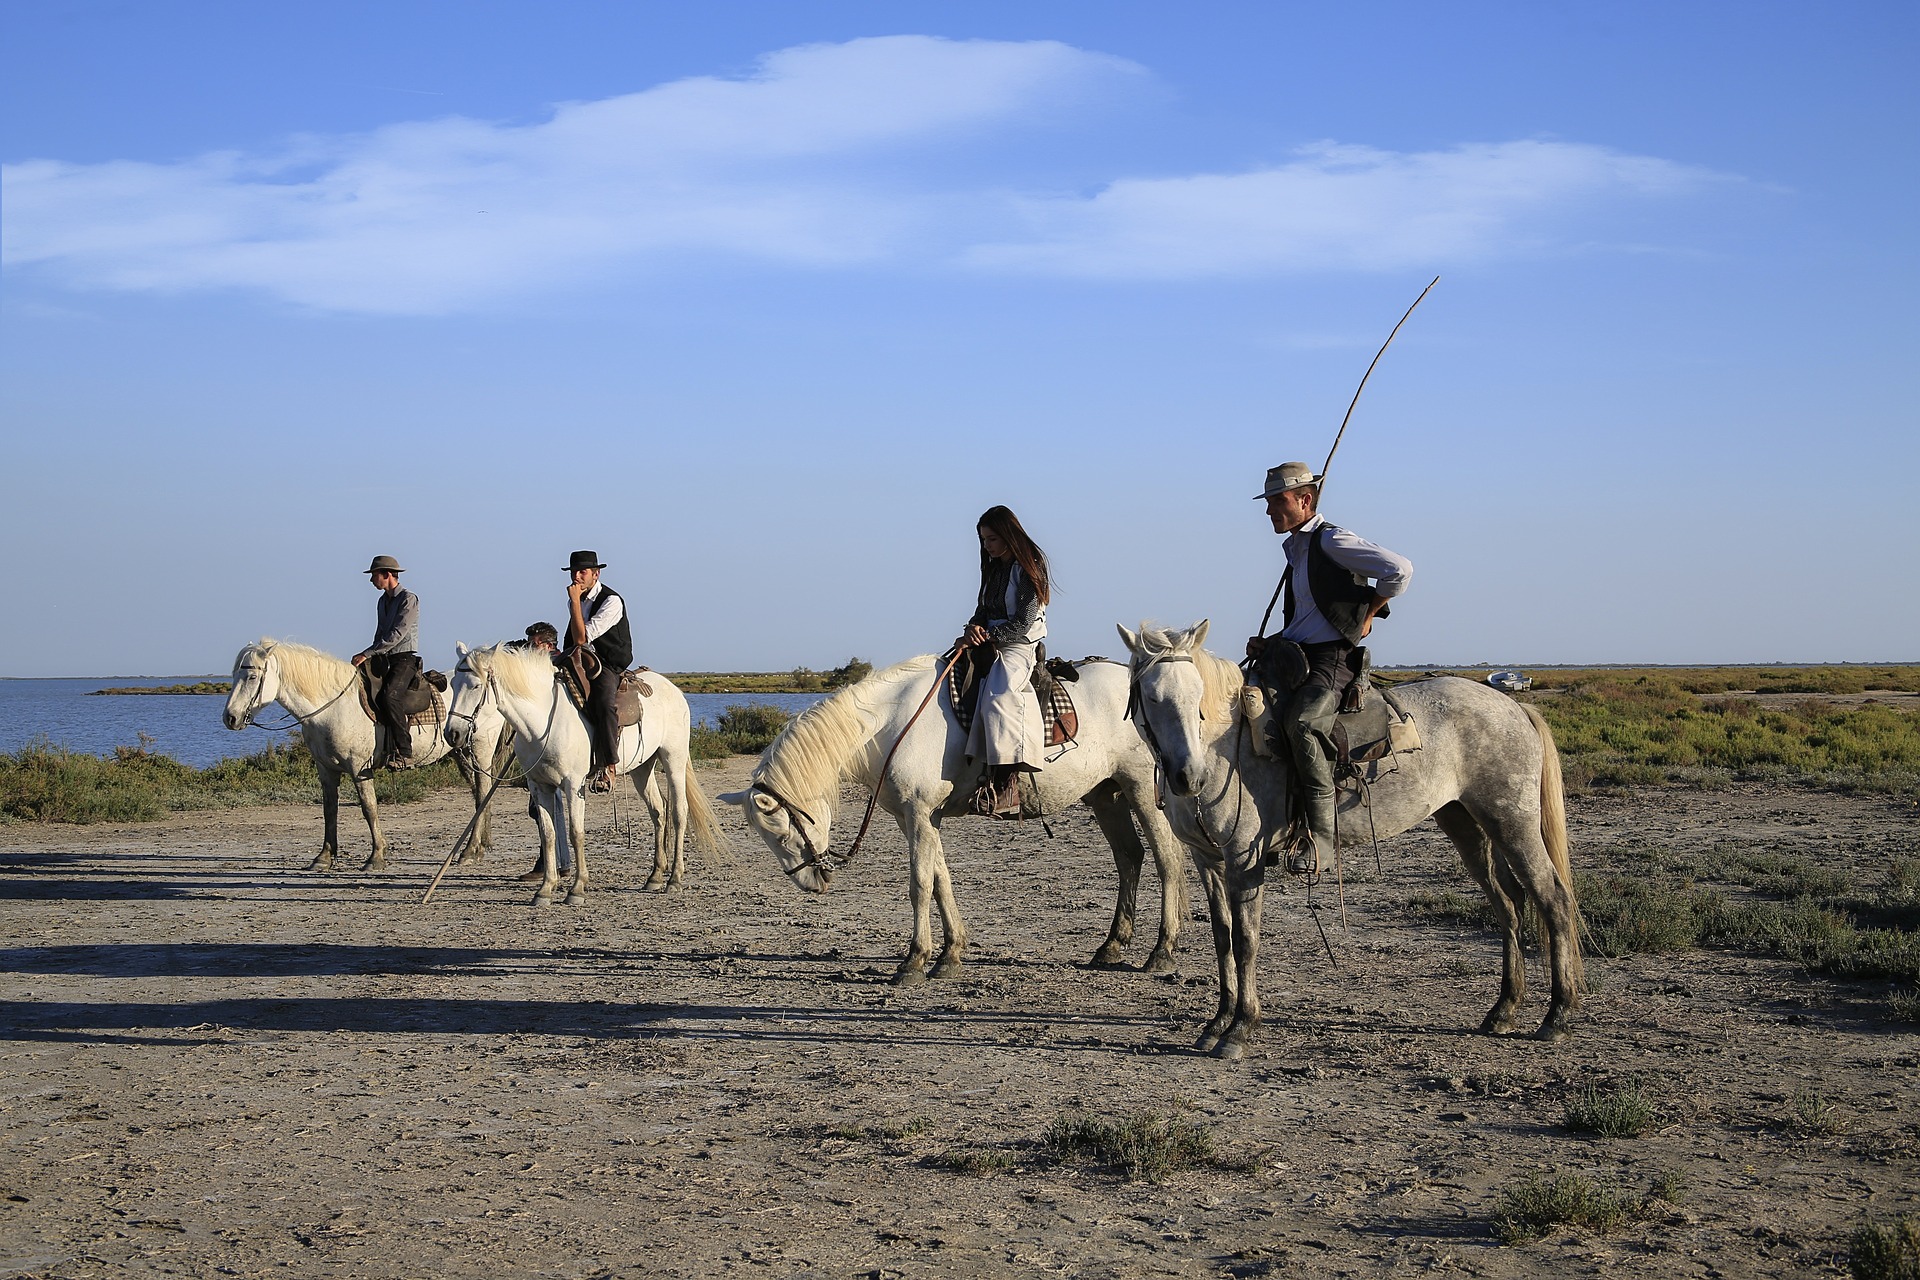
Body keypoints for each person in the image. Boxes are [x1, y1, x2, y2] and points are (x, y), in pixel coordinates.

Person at [1245, 462, 1412, 874]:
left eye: (1277, 500)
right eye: (1268, 502)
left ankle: (1321, 838)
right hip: (1296, 653)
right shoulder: (1296, 549)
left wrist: (1369, 612)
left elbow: (1399, 569)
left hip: (1331, 658)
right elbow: (1308, 617)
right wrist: (1274, 641)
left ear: (1305, 500)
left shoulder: (1332, 540)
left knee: (1303, 724)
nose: (1269, 510)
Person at [958, 505, 1050, 817]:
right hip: (991, 640)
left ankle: (1007, 783)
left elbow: (1022, 623)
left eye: (992, 539)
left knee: (1000, 696)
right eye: (984, 540)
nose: (987, 546)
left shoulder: (1028, 568)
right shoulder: (994, 569)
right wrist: (973, 629)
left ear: (1010, 536)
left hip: (1019, 645)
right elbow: (983, 610)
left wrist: (988, 635)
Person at [563, 551, 631, 794]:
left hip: (609, 662)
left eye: (582, 572)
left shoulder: (611, 601)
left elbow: (582, 637)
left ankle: (609, 765)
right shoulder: (577, 599)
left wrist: (574, 603)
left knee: (603, 701)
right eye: (574, 572)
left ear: (596, 574)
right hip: (582, 657)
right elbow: (574, 639)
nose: (577, 576)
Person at [351, 555, 421, 768]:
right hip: (384, 657)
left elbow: (397, 633)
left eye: (374, 575)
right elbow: (380, 633)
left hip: (404, 658)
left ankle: (405, 752)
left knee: (390, 696)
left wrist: (368, 653)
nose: (371, 580)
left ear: (387, 574)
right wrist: (368, 656)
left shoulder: (409, 599)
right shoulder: (382, 602)